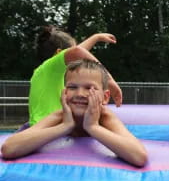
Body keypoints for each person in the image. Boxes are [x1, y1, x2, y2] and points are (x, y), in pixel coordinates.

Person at [1, 59, 147, 167]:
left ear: (105, 97)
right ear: (64, 92)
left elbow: (139, 157)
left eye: (89, 88)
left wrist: (93, 127)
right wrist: (65, 126)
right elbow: (8, 149)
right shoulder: (59, 116)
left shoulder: (105, 117)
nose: (80, 94)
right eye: (72, 87)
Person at [28, 25, 123, 127]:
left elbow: (78, 51)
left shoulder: (44, 72)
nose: (78, 62)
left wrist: (96, 37)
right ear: (58, 53)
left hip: (41, 127)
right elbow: (77, 52)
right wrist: (109, 81)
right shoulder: (51, 68)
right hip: (49, 129)